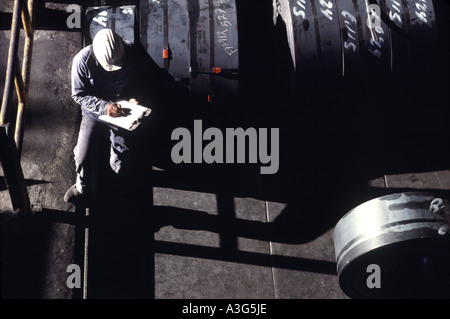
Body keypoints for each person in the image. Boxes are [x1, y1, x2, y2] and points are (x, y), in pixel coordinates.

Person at [64, 28, 159, 204]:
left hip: (124, 113)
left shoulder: (134, 53)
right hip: (94, 114)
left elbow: (146, 80)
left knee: (123, 155)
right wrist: (105, 107)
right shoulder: (81, 62)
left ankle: (118, 183)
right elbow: (78, 94)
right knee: (82, 156)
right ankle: (82, 188)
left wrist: (135, 97)